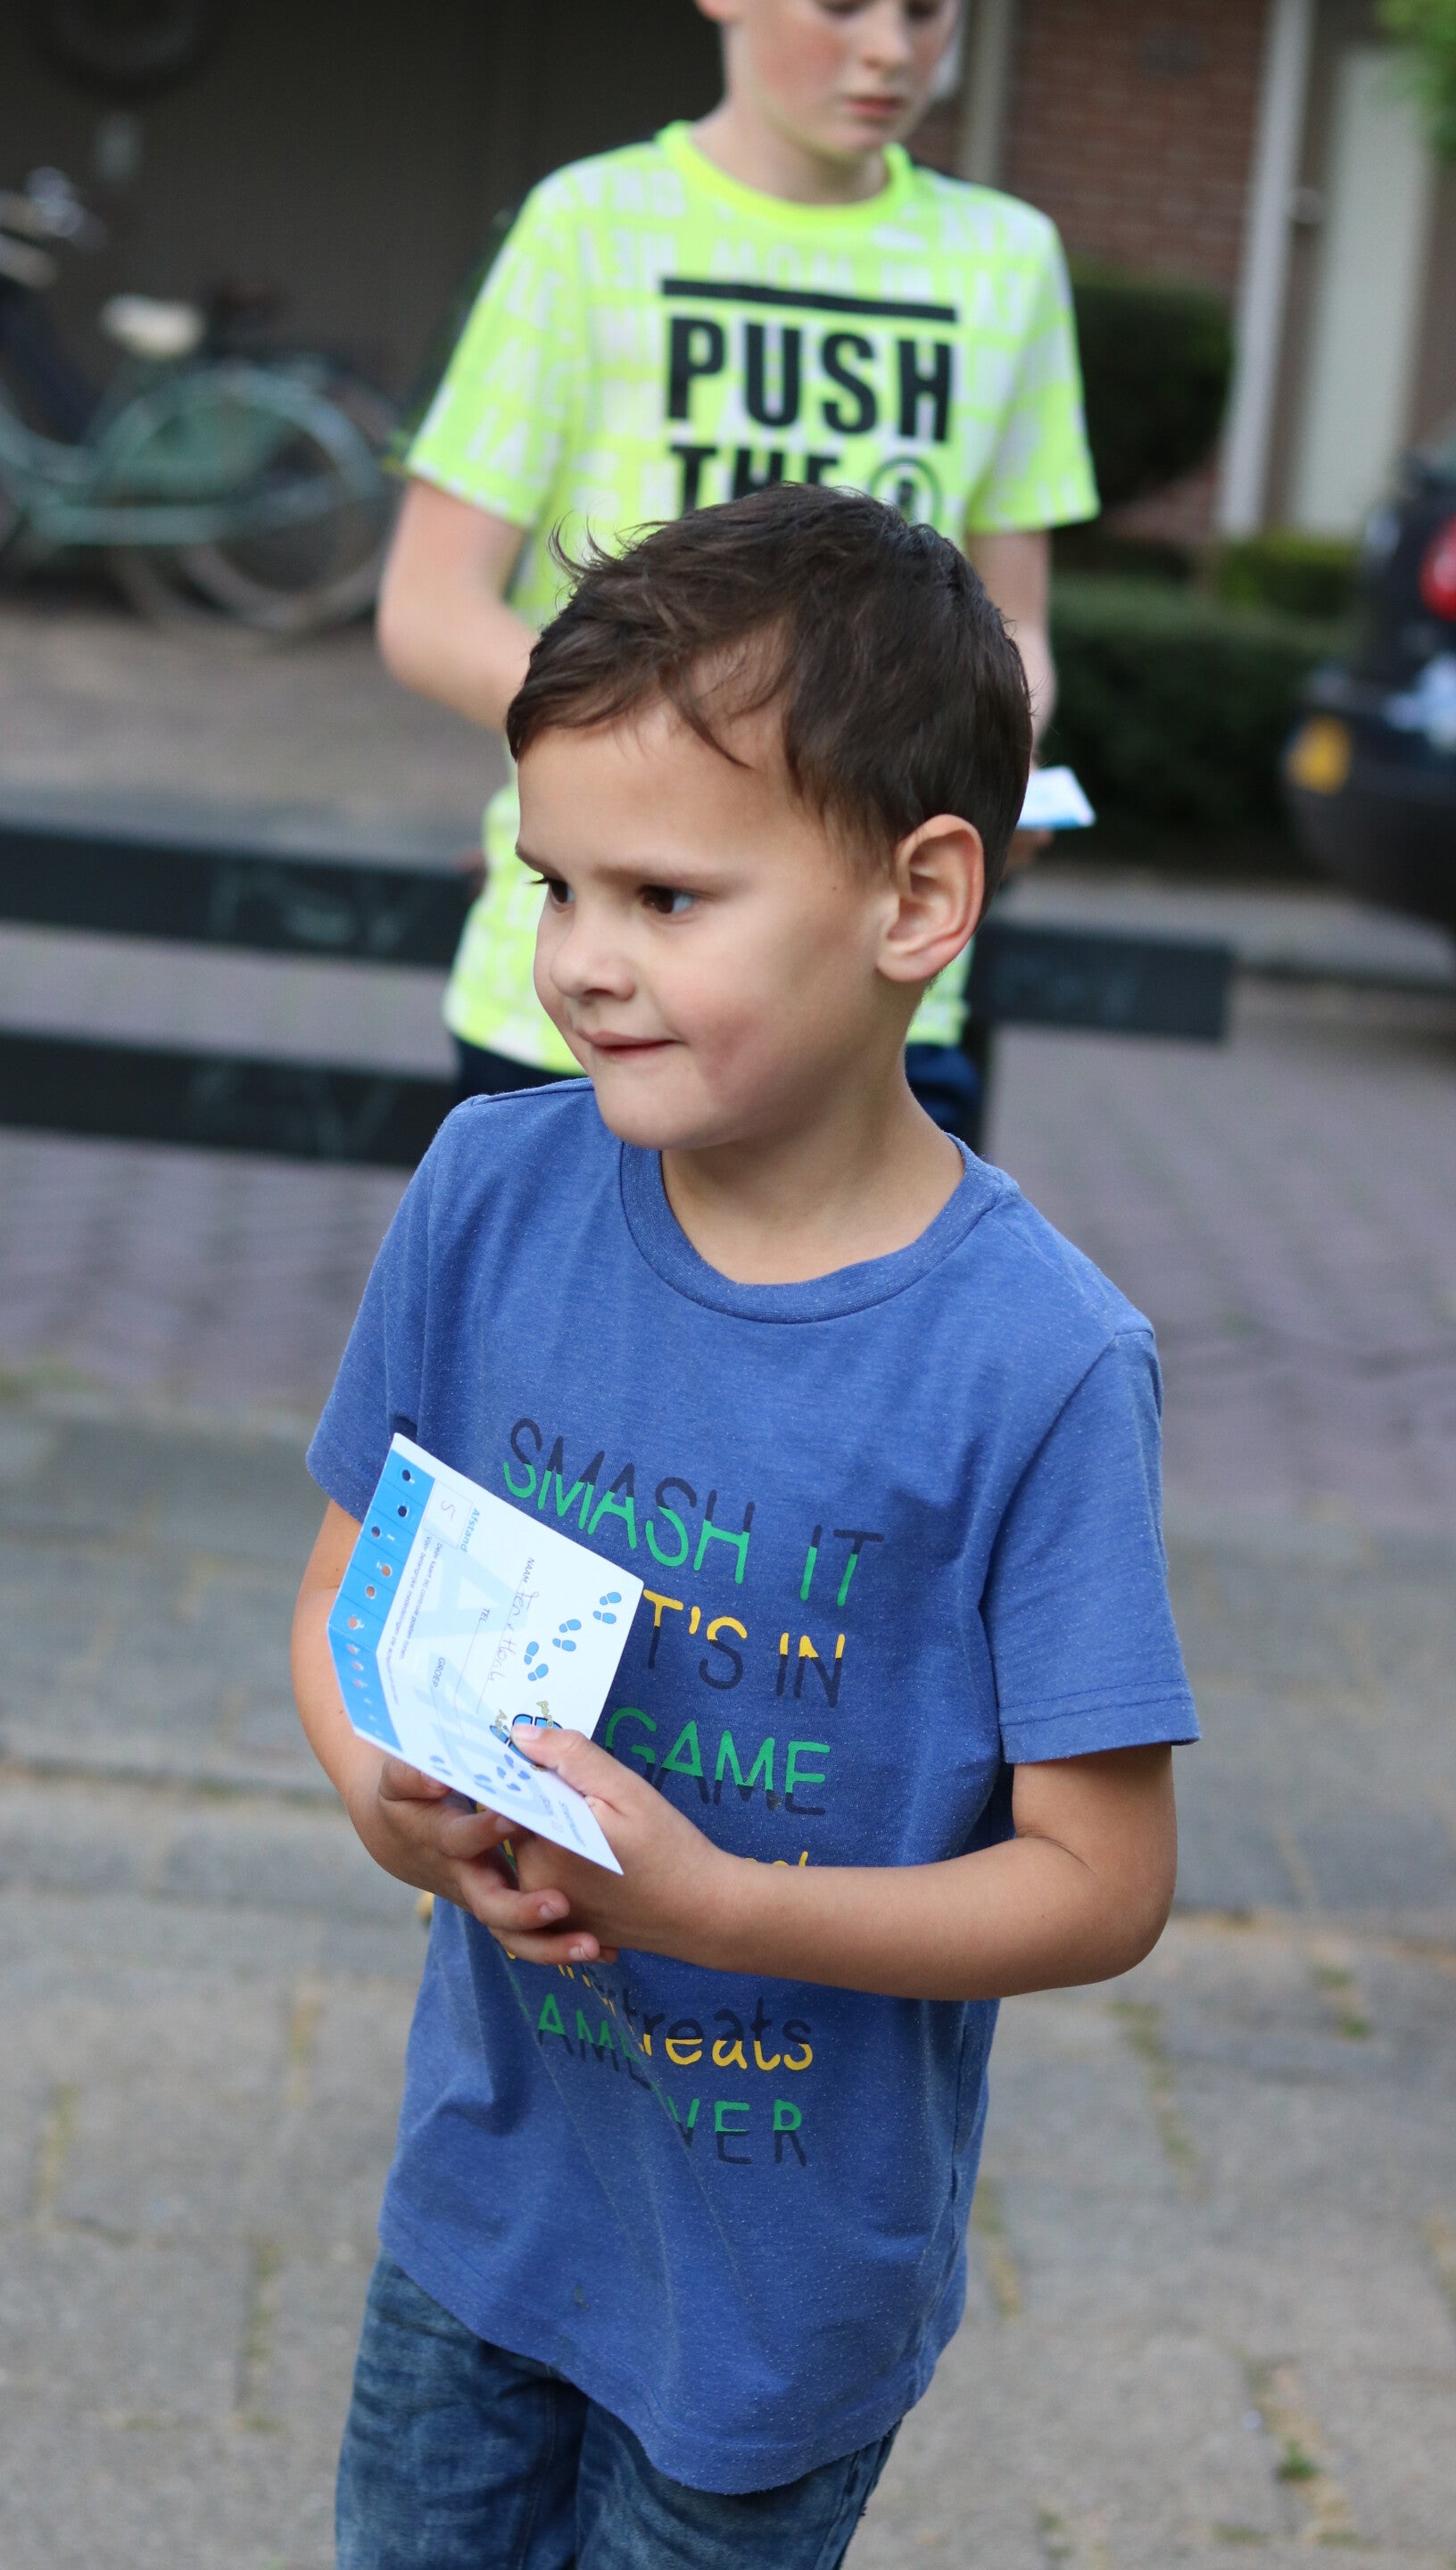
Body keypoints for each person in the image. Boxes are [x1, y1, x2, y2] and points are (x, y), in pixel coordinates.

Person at [293, 485, 1196, 2568]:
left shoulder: (1038, 1362)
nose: (584, 961)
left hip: (779, 2297)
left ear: (918, 898)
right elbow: (345, 1592)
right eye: (555, 885)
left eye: (669, 898)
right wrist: (381, 1797)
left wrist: (721, 1907)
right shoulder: (488, 1194)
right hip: (482, 2207)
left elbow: (1103, 1881)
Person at [376, 0, 1098, 1140]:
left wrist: (996, 762)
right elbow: (428, 608)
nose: (890, 48)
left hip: (886, 999)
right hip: (581, 1014)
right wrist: (681, 768)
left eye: (926, 11)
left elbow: (1017, 629)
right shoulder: (588, 225)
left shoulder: (1009, 259)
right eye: (845, 5)